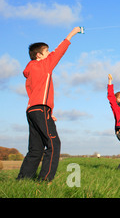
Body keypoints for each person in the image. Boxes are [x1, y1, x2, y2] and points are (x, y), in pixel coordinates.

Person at [17, 27, 81, 182]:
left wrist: (48, 112)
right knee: (53, 144)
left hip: (32, 110)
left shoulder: (30, 70)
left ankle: (23, 180)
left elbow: (34, 93)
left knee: (35, 149)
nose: (49, 53)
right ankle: (44, 181)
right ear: (39, 55)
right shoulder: (43, 65)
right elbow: (59, 52)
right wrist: (72, 33)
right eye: (47, 51)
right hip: (40, 109)